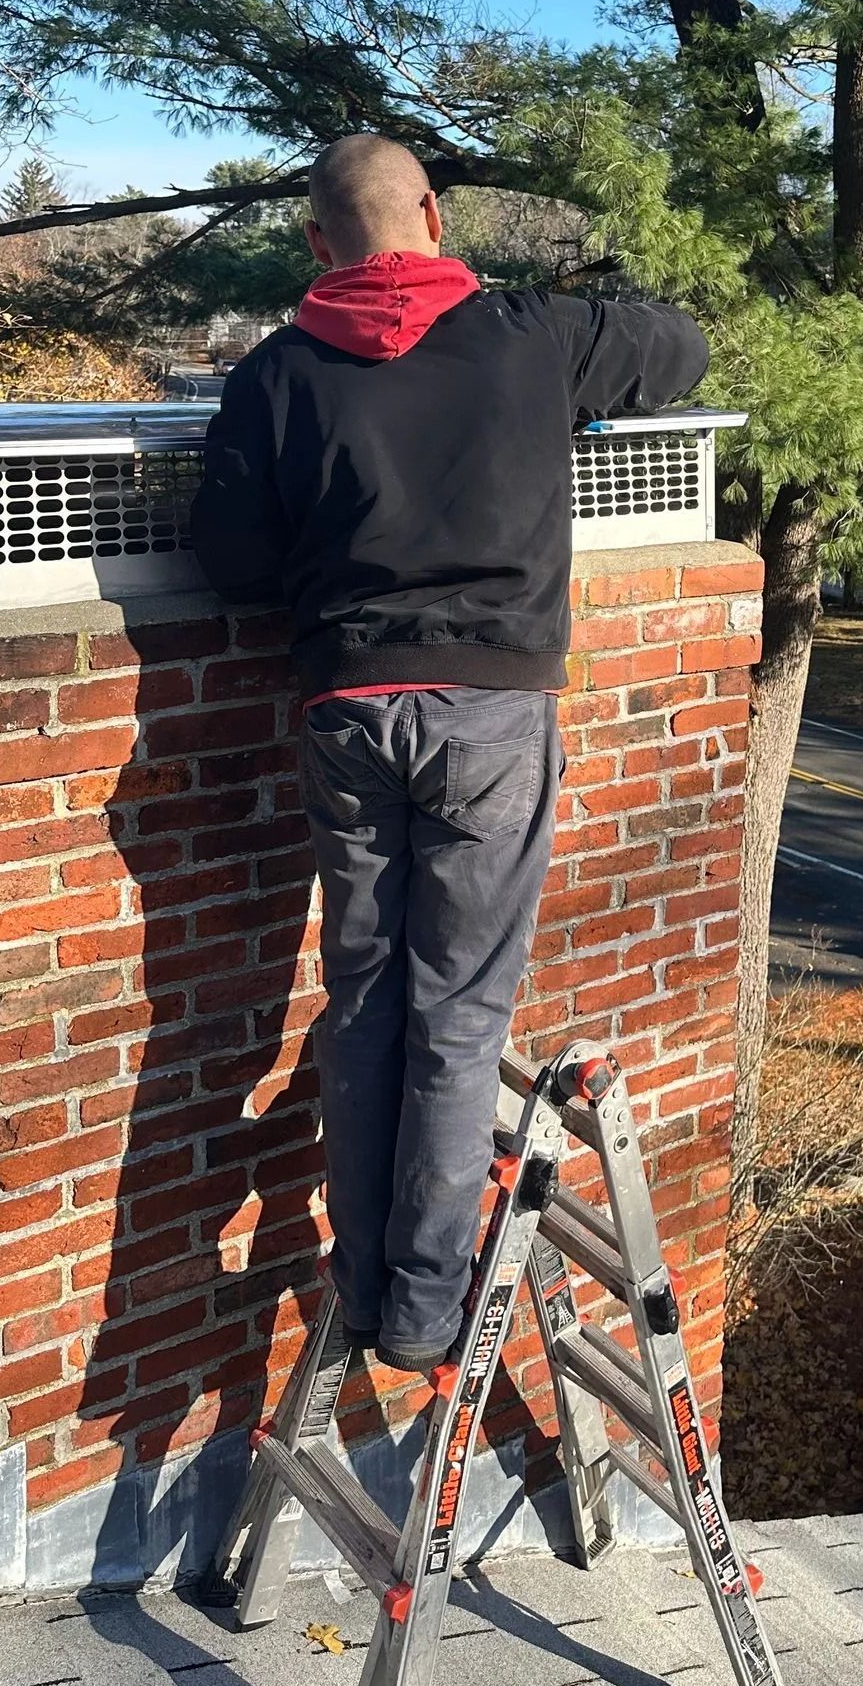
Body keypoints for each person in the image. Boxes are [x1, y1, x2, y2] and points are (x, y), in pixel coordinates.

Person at [190, 134, 709, 1373]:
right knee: (460, 1018)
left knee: (368, 1000)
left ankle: (360, 1286)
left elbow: (232, 559)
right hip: (490, 716)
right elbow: (681, 349)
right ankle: (420, 1312)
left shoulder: (274, 375)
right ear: (432, 212)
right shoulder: (535, 332)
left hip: (347, 715)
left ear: (320, 244)